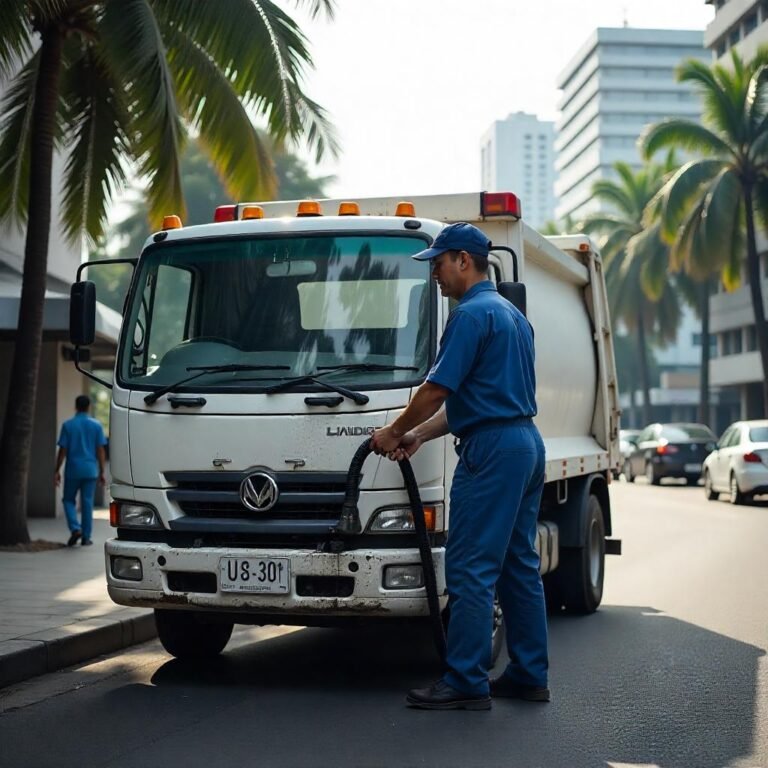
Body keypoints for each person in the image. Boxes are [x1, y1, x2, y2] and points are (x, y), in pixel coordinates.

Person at [371, 222, 548, 711]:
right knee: (518, 565)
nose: (435, 276)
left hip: (491, 452)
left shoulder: (469, 316)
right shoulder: (513, 316)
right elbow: (479, 400)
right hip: (525, 444)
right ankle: (530, 674)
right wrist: (417, 435)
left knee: (471, 568)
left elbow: (435, 391)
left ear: (464, 261)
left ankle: (467, 679)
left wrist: (391, 430)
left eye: (440, 264)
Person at [54, 395, 107, 547]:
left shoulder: (68, 425)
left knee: (68, 500)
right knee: (87, 503)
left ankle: (75, 528)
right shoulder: (96, 425)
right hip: (90, 470)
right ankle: (86, 537)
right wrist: (102, 471)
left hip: (73, 470)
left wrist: (57, 470)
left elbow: (62, 450)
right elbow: (100, 450)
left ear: (75, 406)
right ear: (89, 406)